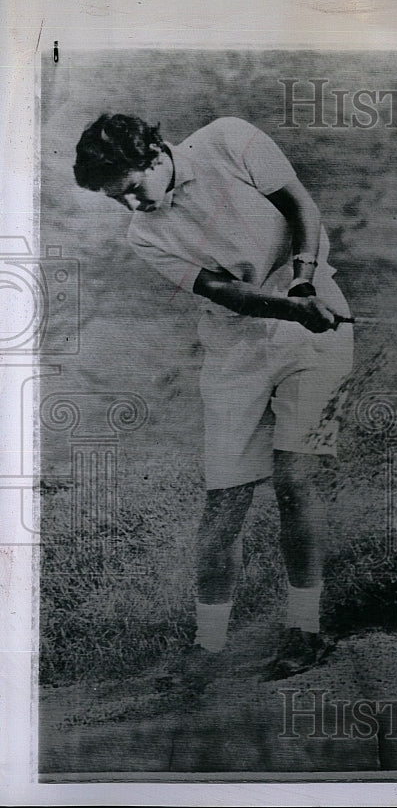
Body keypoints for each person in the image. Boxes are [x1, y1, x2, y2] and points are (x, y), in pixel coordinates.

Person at [73, 114, 354, 689]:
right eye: (116, 200)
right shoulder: (144, 235)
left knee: (296, 481)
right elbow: (227, 293)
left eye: (131, 189)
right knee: (223, 505)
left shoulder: (230, 139)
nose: (130, 207)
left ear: (154, 154)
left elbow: (301, 206)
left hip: (315, 314)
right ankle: (209, 647)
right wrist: (288, 307)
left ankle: (305, 629)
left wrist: (302, 283)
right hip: (235, 345)